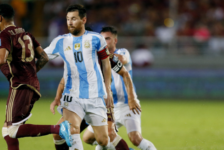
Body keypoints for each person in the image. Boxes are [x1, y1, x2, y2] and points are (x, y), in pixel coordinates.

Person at [0, 4, 72, 150]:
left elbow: (1, 60)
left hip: (20, 85)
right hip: (31, 85)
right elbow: (44, 57)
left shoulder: (3, 35)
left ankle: (58, 128)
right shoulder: (26, 34)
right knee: (7, 131)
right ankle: (58, 129)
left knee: (12, 130)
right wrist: (30, 73)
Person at [50, 27, 141, 150]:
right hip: (78, 102)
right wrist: (57, 98)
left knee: (107, 137)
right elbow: (64, 79)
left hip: (98, 103)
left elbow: (125, 73)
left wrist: (131, 98)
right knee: (59, 133)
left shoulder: (107, 57)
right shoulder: (76, 57)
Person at [44, 4, 115, 150]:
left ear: (83, 20)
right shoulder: (60, 41)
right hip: (72, 95)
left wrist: (107, 88)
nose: (70, 22)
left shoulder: (96, 39)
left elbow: (106, 63)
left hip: (95, 95)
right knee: (72, 131)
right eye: (68, 19)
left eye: (74, 19)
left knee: (103, 140)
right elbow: (41, 56)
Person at [83, 26, 157, 150]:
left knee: (135, 138)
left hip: (127, 105)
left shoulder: (123, 52)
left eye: (107, 39)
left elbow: (122, 59)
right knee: (88, 138)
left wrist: (102, 55)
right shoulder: (97, 60)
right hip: (108, 106)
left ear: (115, 41)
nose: (104, 42)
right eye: (102, 39)